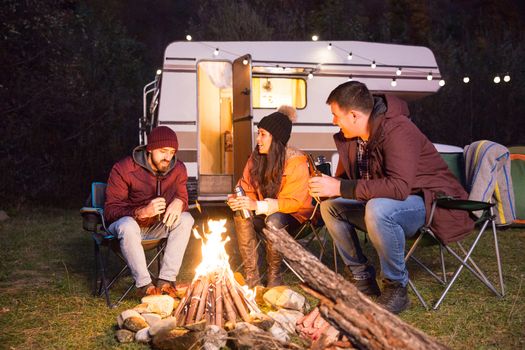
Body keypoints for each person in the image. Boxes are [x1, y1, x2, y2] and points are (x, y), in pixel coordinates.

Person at [308, 81, 473, 314]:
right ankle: (362, 278)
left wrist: (339, 187)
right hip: (386, 201)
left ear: (354, 115)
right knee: (332, 207)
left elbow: (399, 188)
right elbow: (345, 183)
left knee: (379, 209)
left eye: (335, 115)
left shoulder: (398, 130)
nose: (333, 121)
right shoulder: (354, 138)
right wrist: (325, 187)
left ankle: (396, 287)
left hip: (429, 201)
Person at [228, 106, 314, 288]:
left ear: (276, 138)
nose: (258, 139)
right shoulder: (256, 159)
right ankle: (253, 277)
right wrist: (239, 200)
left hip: (294, 218)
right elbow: (245, 187)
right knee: (240, 213)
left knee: (274, 219)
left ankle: (274, 276)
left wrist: (257, 206)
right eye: (258, 133)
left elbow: (294, 203)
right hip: (265, 213)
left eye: (262, 134)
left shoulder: (296, 162)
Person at [104, 126, 194, 297]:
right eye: (163, 151)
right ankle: (145, 287)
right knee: (128, 225)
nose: (168, 157)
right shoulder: (124, 169)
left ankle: (166, 281)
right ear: (150, 148)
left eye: (172, 152)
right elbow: (110, 210)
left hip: (156, 227)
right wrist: (141, 212)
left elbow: (183, 198)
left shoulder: (178, 169)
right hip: (128, 228)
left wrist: (179, 201)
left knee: (186, 219)